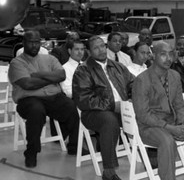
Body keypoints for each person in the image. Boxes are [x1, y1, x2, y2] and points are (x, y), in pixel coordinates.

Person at [132, 41, 184, 180]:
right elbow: (143, 115)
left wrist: (182, 122)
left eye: (171, 54)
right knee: (167, 141)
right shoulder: (142, 80)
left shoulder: (174, 75)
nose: (169, 58)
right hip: (150, 127)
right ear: (153, 55)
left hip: (174, 122)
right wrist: (170, 128)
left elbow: (179, 104)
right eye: (163, 54)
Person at [8, 30, 79, 168]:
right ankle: (31, 152)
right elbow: (27, 84)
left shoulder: (50, 59)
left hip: (53, 97)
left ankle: (74, 146)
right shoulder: (17, 63)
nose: (35, 45)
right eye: (31, 42)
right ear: (24, 43)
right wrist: (50, 78)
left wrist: (38, 75)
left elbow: (61, 75)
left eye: (37, 42)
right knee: (36, 111)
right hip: (28, 99)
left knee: (70, 106)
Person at [73, 35, 135, 180]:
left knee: (146, 114)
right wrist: (113, 106)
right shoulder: (83, 70)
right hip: (93, 113)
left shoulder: (118, 67)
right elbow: (84, 99)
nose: (101, 50)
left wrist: (132, 98)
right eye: (96, 47)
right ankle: (109, 171)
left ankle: (151, 157)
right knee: (109, 120)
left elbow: (134, 84)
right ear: (89, 51)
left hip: (123, 109)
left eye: (102, 46)